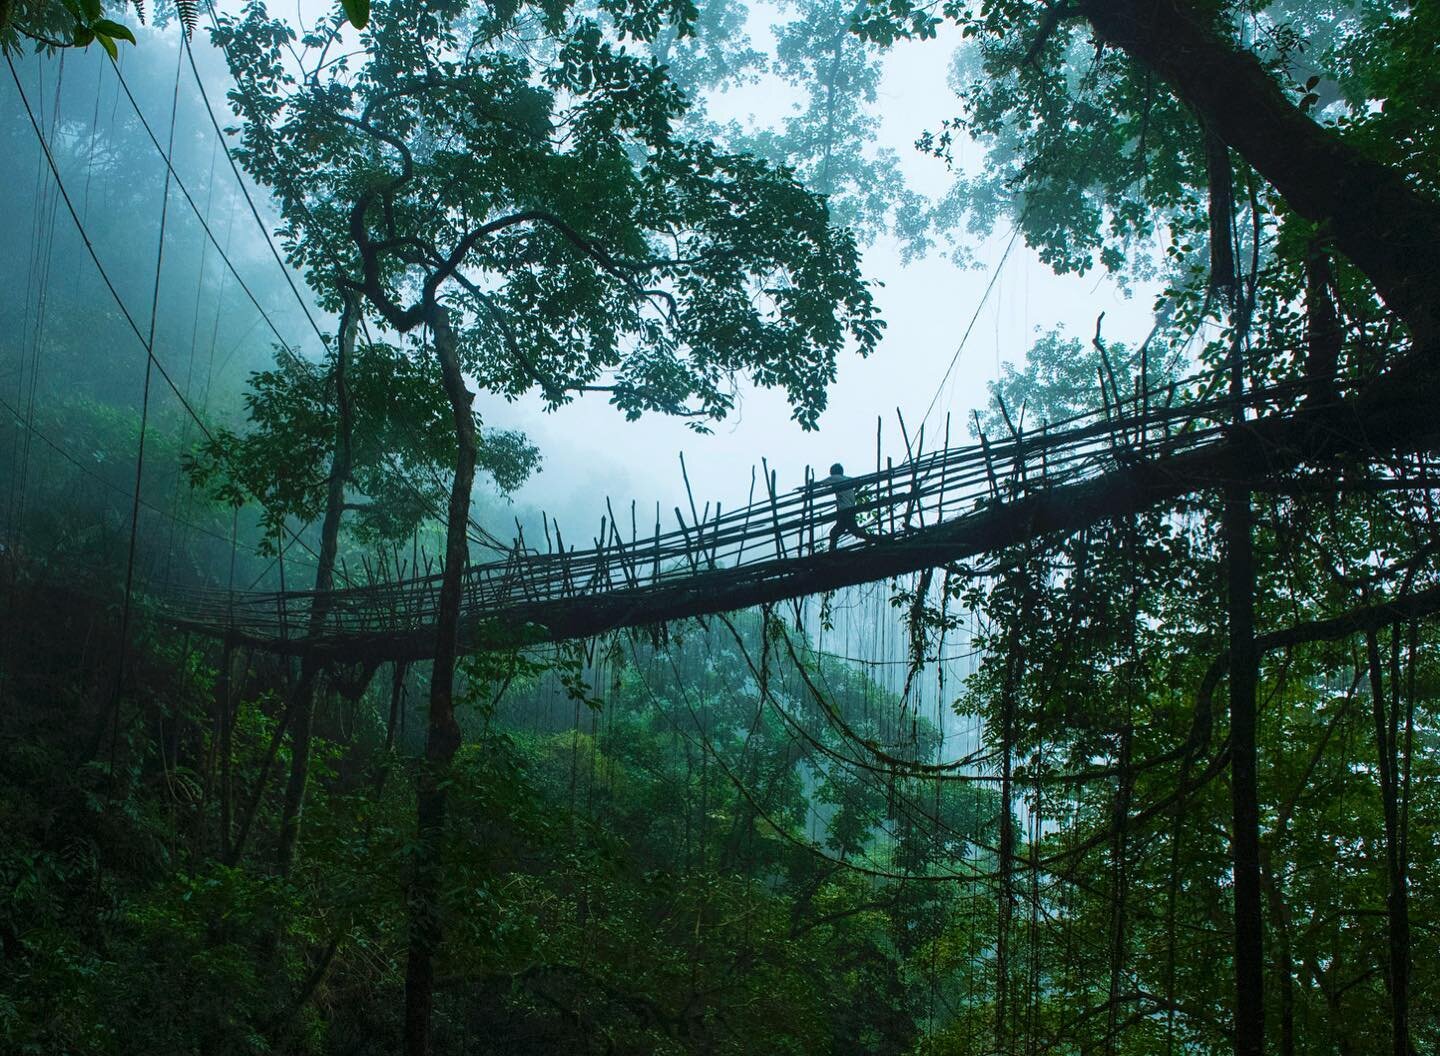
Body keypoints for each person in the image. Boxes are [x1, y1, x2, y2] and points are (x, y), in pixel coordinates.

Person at [813, 462, 879, 551]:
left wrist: (807, 487)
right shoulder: (847, 479)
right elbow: (860, 483)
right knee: (841, 531)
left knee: (843, 532)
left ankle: (875, 539)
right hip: (851, 508)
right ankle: (873, 538)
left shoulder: (835, 478)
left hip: (844, 509)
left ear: (832, 472)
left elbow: (820, 484)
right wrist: (854, 491)